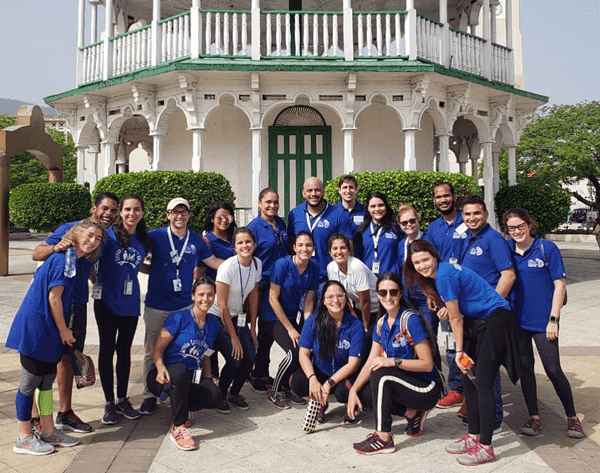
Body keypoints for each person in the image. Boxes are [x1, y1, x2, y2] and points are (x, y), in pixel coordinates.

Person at [405, 240, 520, 466]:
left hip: (494, 321)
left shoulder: (444, 275)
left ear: (435, 257)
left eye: (425, 259)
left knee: (483, 383)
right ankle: (474, 435)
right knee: (469, 380)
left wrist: (458, 351)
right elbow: (457, 307)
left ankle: (486, 447)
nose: (422, 265)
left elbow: (456, 318)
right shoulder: (440, 275)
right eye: (417, 262)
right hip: (476, 322)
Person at [7, 219, 105, 455]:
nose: (92, 241)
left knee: (46, 382)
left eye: (98, 238)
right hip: (37, 328)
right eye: (89, 235)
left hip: (49, 330)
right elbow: (54, 298)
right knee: (30, 382)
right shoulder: (64, 260)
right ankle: (23, 436)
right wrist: (64, 330)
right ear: (76, 234)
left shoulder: (74, 259)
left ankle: (48, 431)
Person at [30, 192, 118, 433]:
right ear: (94, 208)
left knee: (68, 358)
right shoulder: (71, 229)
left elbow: (88, 266)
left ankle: (65, 412)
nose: (109, 214)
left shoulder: (105, 238)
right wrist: (54, 248)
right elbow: (37, 253)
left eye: (113, 211)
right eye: (105, 208)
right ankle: (36, 415)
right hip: (55, 303)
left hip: (78, 305)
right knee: (44, 362)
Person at [504, 208, 584, 439]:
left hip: (543, 322)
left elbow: (560, 285)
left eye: (521, 226)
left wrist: (553, 320)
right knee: (526, 368)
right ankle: (534, 416)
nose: (517, 231)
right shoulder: (507, 250)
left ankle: (572, 417)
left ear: (530, 225)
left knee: (552, 369)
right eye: (511, 228)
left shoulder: (546, 248)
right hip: (517, 322)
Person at [139, 198, 221, 416]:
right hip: (157, 305)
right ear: (168, 214)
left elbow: (213, 262)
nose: (179, 216)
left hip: (184, 306)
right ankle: (149, 395)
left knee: (183, 351)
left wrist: (241, 261)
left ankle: (180, 389)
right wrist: (151, 270)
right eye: (175, 212)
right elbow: (137, 255)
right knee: (152, 349)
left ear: (189, 215)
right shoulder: (156, 236)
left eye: (183, 212)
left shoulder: (196, 240)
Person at [349, 273, 442, 455]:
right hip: (404, 383)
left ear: (400, 294)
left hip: (426, 387)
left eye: (393, 292)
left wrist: (393, 361)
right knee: (365, 393)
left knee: (380, 374)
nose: (388, 297)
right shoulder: (381, 323)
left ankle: (383, 438)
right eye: (383, 292)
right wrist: (353, 390)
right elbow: (370, 361)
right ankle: (412, 414)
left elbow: (427, 365)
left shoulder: (410, 320)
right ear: (378, 294)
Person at [95, 194, 152, 425]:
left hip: (129, 303)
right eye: (127, 209)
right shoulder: (107, 235)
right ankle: (109, 402)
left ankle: (122, 399)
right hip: (106, 301)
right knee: (107, 350)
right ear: (121, 212)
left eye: (136, 209)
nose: (132, 214)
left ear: (142, 212)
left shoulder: (143, 239)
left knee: (125, 352)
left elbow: (143, 265)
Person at [147, 277, 223, 451]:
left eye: (210, 295)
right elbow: (157, 348)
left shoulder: (213, 323)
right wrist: (160, 369)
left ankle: (182, 405)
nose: (206, 299)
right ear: (192, 296)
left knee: (215, 395)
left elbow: (206, 353)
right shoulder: (179, 318)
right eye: (201, 295)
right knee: (180, 371)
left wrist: (207, 378)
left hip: (190, 376)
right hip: (163, 376)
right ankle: (178, 426)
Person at [460, 195, 515, 430]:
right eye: (467, 214)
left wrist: (490, 305)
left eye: (476, 213)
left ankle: (492, 418)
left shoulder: (494, 240)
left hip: (488, 316)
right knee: (475, 367)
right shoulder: (468, 238)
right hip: (473, 316)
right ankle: (479, 414)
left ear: (486, 214)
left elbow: (508, 275)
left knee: (488, 370)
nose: (472, 218)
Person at [290, 281, 367, 424]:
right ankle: (320, 402)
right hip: (321, 369)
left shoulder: (355, 325)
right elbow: (303, 354)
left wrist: (329, 384)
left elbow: (353, 364)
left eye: (340, 296)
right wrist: (313, 379)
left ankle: (350, 404)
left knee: (343, 391)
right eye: (330, 297)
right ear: (324, 301)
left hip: (344, 374)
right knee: (298, 382)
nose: (335, 300)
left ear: (346, 299)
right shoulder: (314, 320)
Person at [424, 182, 469, 409]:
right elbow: (428, 266)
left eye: (446, 196)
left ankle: (474, 393)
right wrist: (433, 295)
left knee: (472, 344)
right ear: (434, 200)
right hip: (446, 295)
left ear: (453, 196)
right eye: (438, 197)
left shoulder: (468, 221)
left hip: (469, 294)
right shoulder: (433, 229)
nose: (443, 200)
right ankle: (457, 390)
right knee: (451, 345)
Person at [263, 231, 319, 409]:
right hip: (272, 314)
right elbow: (273, 298)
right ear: (294, 247)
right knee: (293, 352)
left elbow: (309, 302)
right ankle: (275, 390)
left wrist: (308, 327)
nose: (305, 249)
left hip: (291, 314)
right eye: (300, 245)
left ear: (313, 248)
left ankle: (288, 387)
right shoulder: (283, 264)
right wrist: (290, 328)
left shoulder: (314, 268)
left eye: (308, 245)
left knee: (304, 347)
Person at [209, 227, 261, 413]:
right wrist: (234, 337)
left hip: (238, 316)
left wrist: (252, 328)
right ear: (234, 246)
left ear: (254, 244)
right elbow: (222, 305)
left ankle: (234, 393)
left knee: (250, 356)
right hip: (217, 315)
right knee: (235, 357)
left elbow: (254, 297)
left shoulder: (257, 264)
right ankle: (221, 394)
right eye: (240, 242)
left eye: (248, 241)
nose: (244, 245)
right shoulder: (227, 267)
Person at [248, 188, 290, 393]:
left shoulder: (281, 223)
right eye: (268, 202)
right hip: (264, 287)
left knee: (267, 334)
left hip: (282, 285)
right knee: (267, 330)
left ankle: (261, 373)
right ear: (259, 204)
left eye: (275, 202)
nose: (272, 206)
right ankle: (257, 373)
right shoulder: (254, 228)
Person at [396, 205, 440, 369]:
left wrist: (432, 293)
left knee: (429, 339)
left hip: (424, 297)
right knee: (412, 338)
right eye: (404, 223)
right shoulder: (402, 244)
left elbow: (436, 268)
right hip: (408, 298)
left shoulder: (428, 240)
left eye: (412, 221)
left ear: (418, 220)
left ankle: (437, 381)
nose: (409, 225)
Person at [287, 177, 350, 283]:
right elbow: (290, 245)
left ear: (323, 192)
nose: (313, 194)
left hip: (327, 277)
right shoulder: (294, 213)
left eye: (317, 190)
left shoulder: (339, 214)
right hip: (300, 277)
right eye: (309, 190)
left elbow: (349, 247)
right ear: (303, 193)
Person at [326, 233, 378, 331]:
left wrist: (364, 327)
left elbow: (365, 301)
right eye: (335, 248)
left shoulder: (357, 267)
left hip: (377, 309)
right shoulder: (330, 268)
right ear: (330, 253)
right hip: (359, 308)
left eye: (343, 248)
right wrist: (356, 319)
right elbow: (342, 296)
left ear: (349, 251)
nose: (339, 252)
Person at [354, 192, 402, 277]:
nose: (377, 209)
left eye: (381, 205)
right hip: (368, 279)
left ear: (386, 206)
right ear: (368, 208)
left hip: (391, 279)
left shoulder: (396, 228)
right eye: (373, 206)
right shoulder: (362, 230)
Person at [201, 201, 236, 281]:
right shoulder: (207, 241)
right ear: (212, 219)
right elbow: (199, 270)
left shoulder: (235, 237)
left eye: (227, 217)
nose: (224, 220)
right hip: (216, 287)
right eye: (220, 218)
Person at [335, 175, 365, 239]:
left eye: (351, 187)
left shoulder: (365, 211)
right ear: (339, 190)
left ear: (356, 190)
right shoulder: (332, 211)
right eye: (345, 187)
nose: (348, 191)